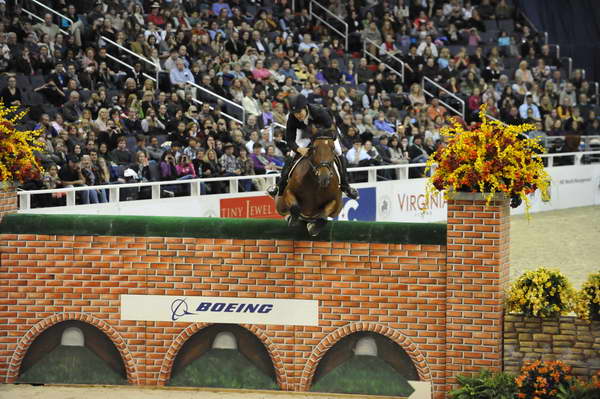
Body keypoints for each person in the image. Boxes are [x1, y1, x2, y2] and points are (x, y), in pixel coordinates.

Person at [267, 94, 359, 199]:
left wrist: (318, 141)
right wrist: (299, 149)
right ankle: (280, 186)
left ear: (305, 107)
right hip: (304, 134)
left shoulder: (319, 112)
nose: (297, 115)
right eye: (295, 113)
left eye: (299, 112)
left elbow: (330, 129)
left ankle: (345, 185)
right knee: (292, 155)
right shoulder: (292, 118)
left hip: (326, 134)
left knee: (338, 152)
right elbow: (289, 139)